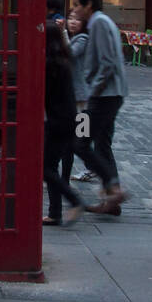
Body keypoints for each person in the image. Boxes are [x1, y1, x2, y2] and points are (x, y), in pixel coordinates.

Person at [68, 0, 129, 215]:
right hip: (109, 94)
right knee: (102, 144)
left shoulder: (100, 24)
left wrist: (93, 90)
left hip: (103, 96)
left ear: (88, 5)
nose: (74, 10)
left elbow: (108, 62)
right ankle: (112, 202)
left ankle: (113, 188)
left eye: (76, 5)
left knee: (80, 142)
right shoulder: (98, 23)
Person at [43, 22, 86, 226]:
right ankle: (54, 213)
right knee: (51, 165)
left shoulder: (48, 64)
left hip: (57, 121)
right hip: (69, 118)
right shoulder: (62, 59)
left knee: (47, 168)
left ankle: (74, 201)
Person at [62, 11, 96, 184]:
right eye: (71, 19)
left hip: (81, 97)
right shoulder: (75, 37)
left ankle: (93, 167)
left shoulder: (82, 39)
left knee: (81, 135)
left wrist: (62, 32)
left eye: (77, 20)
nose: (73, 22)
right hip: (75, 95)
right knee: (76, 137)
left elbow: (70, 53)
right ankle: (91, 167)